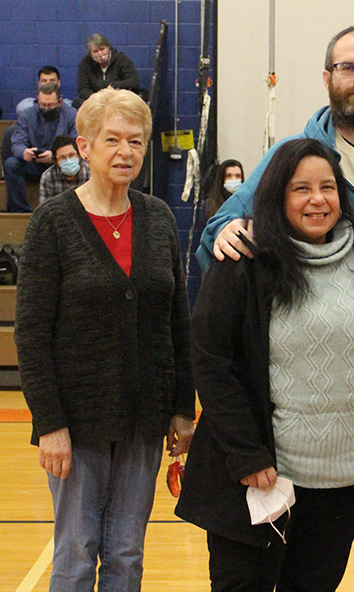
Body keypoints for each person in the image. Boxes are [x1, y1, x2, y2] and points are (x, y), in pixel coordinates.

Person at [196, 25, 354, 592]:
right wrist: (232, 227)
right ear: (328, 78)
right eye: (348, 68)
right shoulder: (292, 156)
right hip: (291, 436)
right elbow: (219, 230)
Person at [176, 138, 354, 591]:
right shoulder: (243, 257)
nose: (317, 199)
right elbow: (212, 360)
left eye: (328, 187)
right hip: (260, 480)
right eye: (301, 188)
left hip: (344, 480)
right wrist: (246, 452)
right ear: (277, 196)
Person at [15, 87, 195, 591]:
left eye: (135, 142)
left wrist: (183, 406)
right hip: (76, 422)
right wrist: (49, 423)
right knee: (74, 557)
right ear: (85, 146)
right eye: (112, 139)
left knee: (126, 554)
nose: (125, 152)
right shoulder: (52, 221)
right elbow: (30, 333)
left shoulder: (159, 217)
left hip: (144, 417)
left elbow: (177, 321)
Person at [4, 82, 77, 212]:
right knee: (11, 164)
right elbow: (17, 142)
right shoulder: (27, 115)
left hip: (61, 164)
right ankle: (19, 211)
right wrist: (24, 152)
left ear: (59, 102)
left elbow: (77, 143)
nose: (45, 108)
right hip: (34, 164)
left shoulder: (72, 115)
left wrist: (55, 156)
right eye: (42, 104)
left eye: (50, 105)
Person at [74, 34, 140, 108]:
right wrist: (97, 97)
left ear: (108, 47)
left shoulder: (121, 59)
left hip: (119, 102)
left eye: (102, 49)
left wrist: (114, 86)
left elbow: (134, 82)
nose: (100, 54)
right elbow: (82, 89)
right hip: (96, 104)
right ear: (90, 54)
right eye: (95, 51)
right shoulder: (85, 63)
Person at [38, 135, 90, 202]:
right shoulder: (48, 177)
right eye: (62, 157)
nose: (68, 160)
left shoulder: (91, 173)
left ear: (79, 155)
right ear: (56, 161)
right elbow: (45, 209)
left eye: (71, 155)